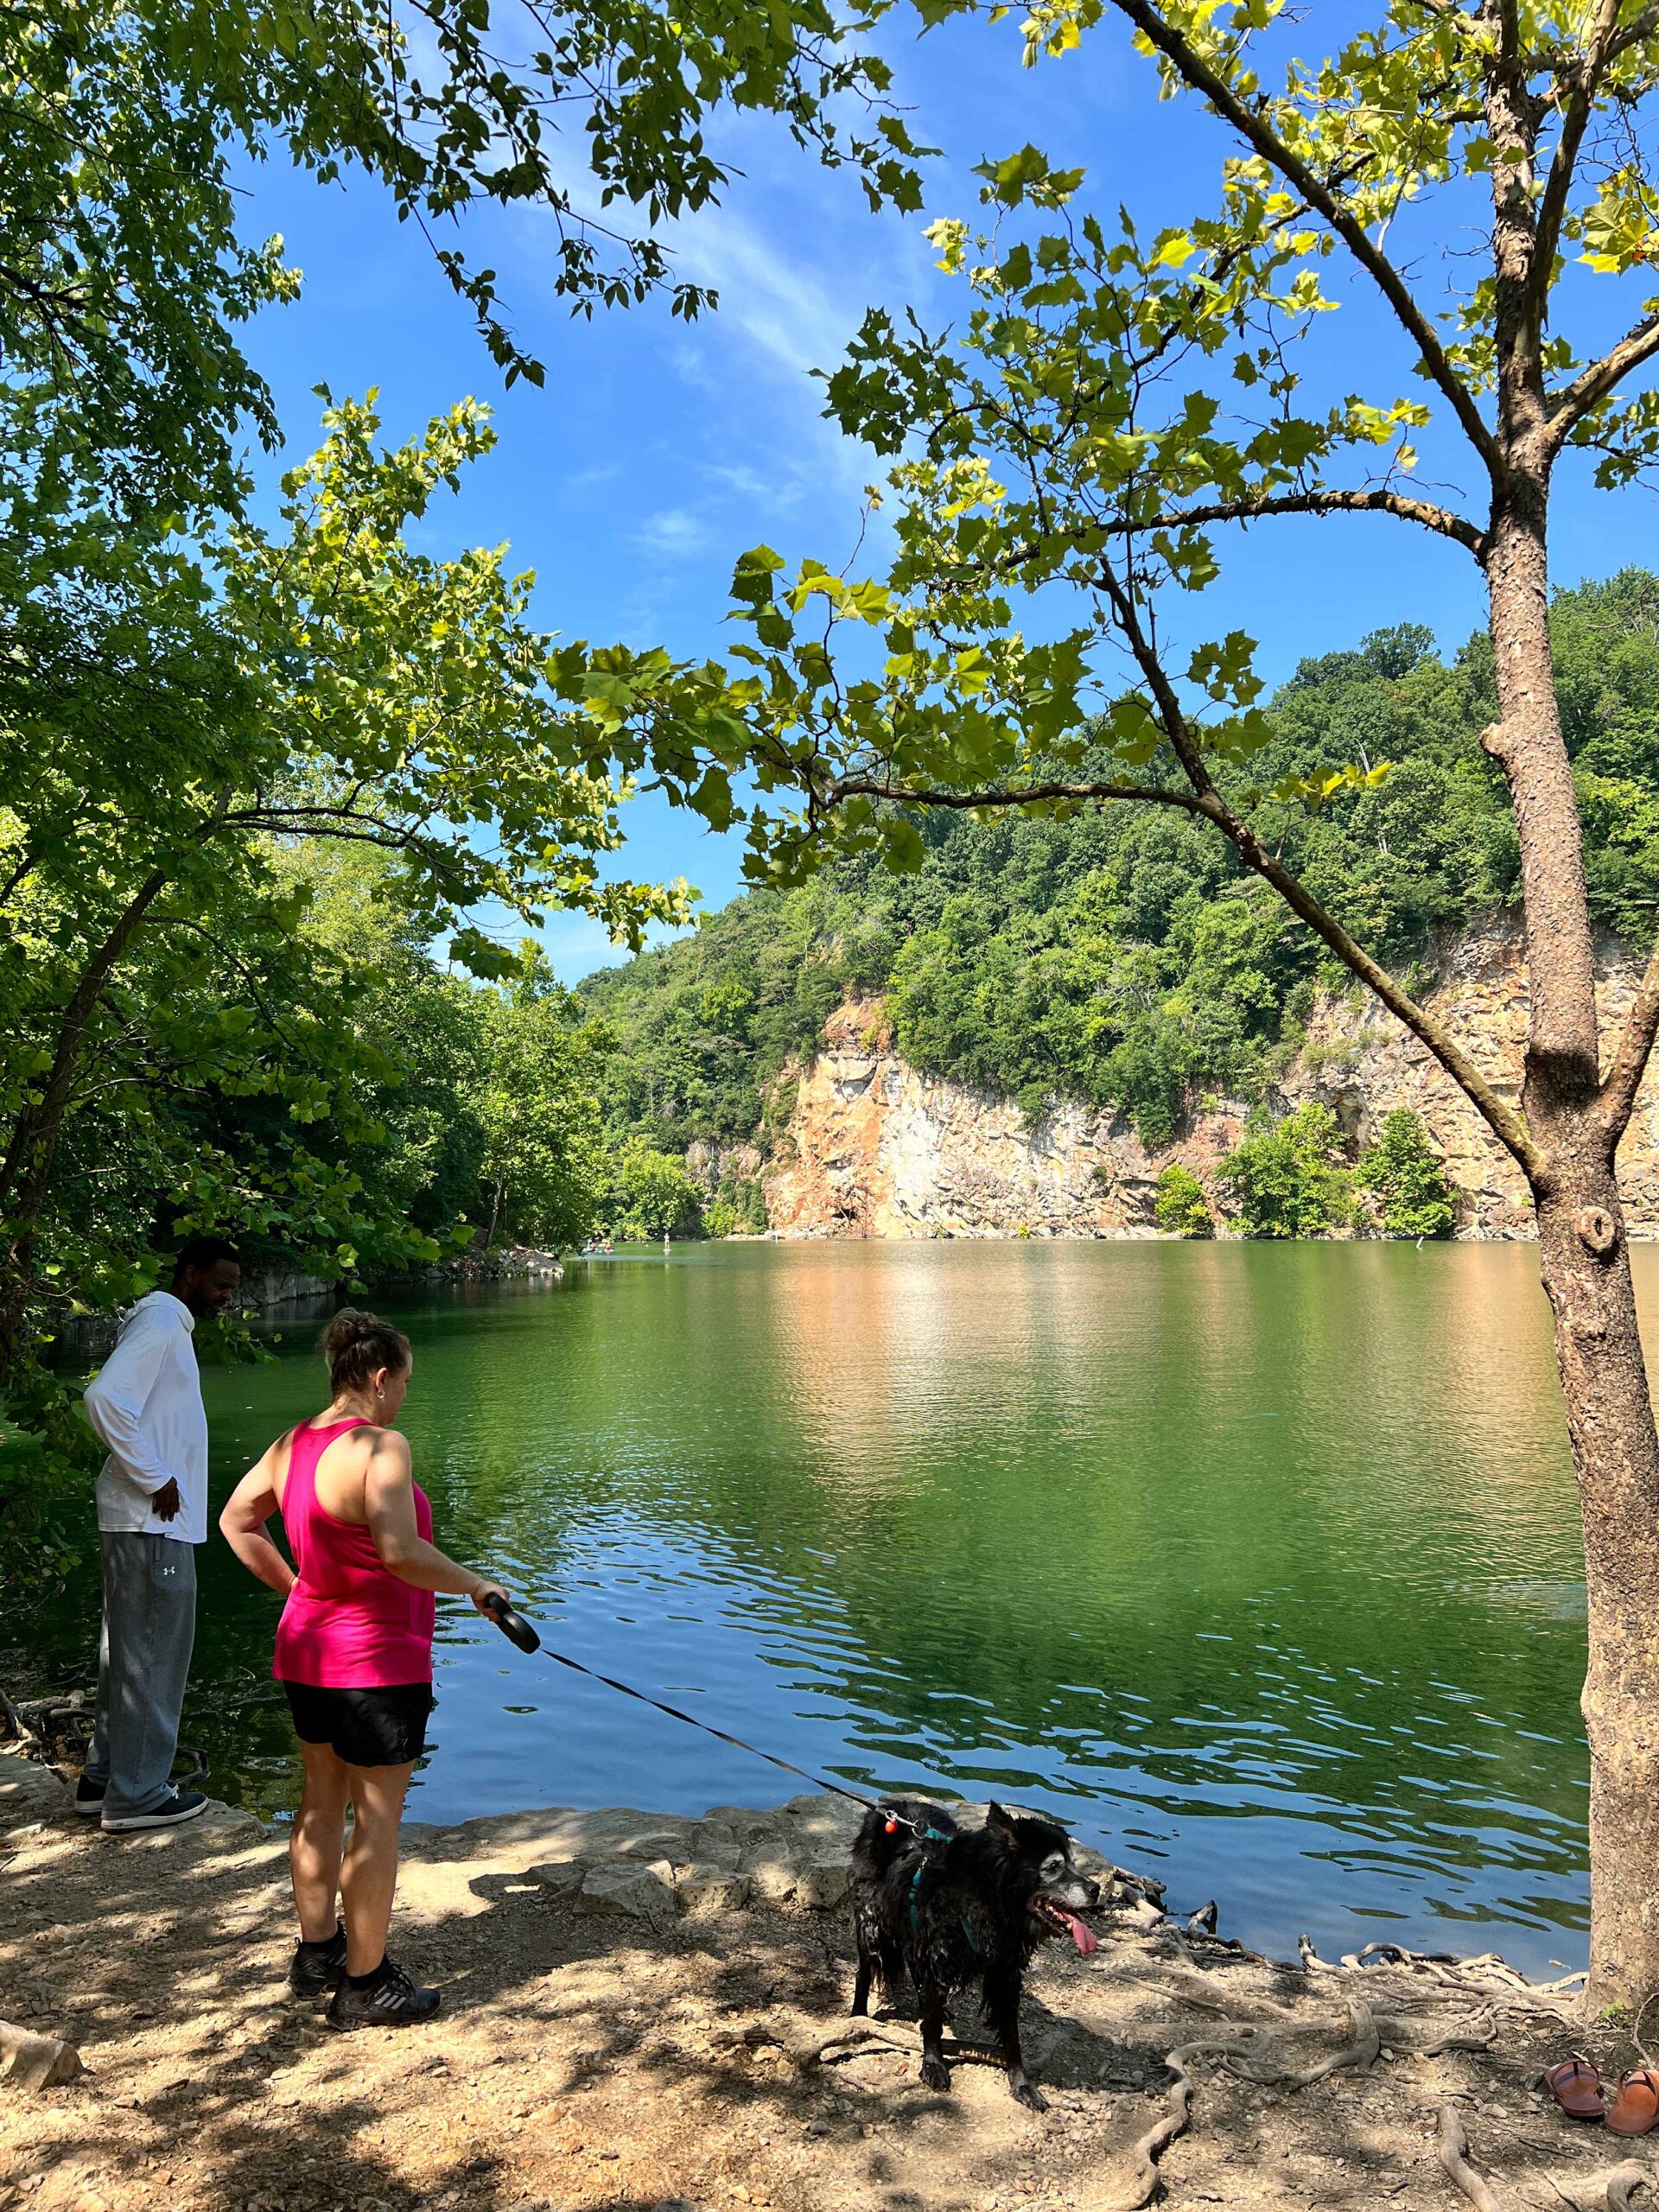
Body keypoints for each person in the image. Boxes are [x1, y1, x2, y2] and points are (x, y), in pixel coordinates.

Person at [219, 1310, 510, 2028]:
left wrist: (297, 1591)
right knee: (376, 1824)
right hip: (375, 1663)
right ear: (381, 1379)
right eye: (404, 1382)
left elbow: (235, 1521)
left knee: (319, 1805)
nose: (404, 1396)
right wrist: (477, 1586)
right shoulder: (381, 1445)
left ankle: (317, 1954)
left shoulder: (292, 1445)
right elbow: (399, 1551)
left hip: (308, 1650)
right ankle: (366, 1984)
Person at [79, 1233, 243, 1831]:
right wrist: (154, 1477)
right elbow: (103, 1398)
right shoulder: (164, 1321)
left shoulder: (162, 1321)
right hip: (152, 1520)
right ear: (190, 1273)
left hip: (142, 1519)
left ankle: (103, 1779)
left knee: (125, 1648)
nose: (227, 1296)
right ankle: (139, 1794)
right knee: (155, 1651)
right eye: (221, 1284)